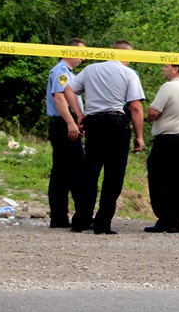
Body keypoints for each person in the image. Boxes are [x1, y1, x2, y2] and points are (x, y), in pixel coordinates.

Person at [63, 40, 146, 234]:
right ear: (127, 56)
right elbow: (135, 106)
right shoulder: (128, 74)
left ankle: (81, 220)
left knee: (90, 172)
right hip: (116, 124)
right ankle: (102, 223)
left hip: (94, 124)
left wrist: (79, 114)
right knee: (113, 175)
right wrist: (139, 136)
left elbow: (68, 89)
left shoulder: (91, 69)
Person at [144, 64, 179, 233]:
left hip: (168, 138)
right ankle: (177, 220)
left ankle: (164, 218)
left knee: (159, 177)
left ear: (175, 69)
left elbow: (153, 112)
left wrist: (147, 117)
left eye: (166, 66)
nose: (162, 69)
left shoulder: (168, 87)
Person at [45, 38, 86, 228]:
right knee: (71, 169)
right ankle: (64, 216)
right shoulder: (61, 72)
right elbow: (60, 97)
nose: (83, 58)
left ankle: (60, 216)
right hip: (63, 124)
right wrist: (71, 122)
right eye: (82, 53)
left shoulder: (68, 73)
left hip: (66, 123)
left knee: (64, 170)